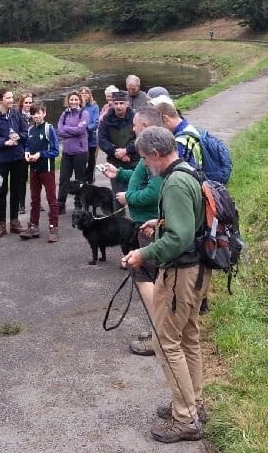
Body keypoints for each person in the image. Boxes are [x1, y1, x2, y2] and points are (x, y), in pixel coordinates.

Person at [122, 127, 209, 444]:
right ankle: (193, 403)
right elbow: (190, 222)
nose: (145, 165)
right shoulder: (188, 172)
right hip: (198, 269)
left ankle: (186, 418)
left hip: (180, 275)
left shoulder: (173, 183)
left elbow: (179, 238)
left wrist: (143, 253)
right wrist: (158, 222)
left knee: (166, 342)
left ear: (157, 154)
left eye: (145, 159)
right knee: (188, 337)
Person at [100, 108, 164, 356]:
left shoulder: (155, 154)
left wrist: (129, 198)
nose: (132, 130)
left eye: (135, 127)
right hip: (145, 224)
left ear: (145, 125)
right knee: (150, 280)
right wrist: (120, 173)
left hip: (149, 227)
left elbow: (153, 191)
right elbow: (139, 174)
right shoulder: (148, 152)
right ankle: (157, 328)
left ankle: (159, 335)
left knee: (148, 281)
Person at [0, 88, 28, 238]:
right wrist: (4, 142)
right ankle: (1, 224)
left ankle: (14, 221)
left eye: (12, 97)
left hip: (18, 158)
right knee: (1, 191)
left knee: (16, 189)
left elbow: (25, 133)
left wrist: (17, 137)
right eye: (8, 98)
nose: (11, 100)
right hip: (1, 160)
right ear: (0, 100)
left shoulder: (17, 114)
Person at [20, 104, 60, 242]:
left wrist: (40, 154)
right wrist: (26, 153)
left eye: (38, 113)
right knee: (34, 200)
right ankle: (33, 226)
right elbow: (27, 145)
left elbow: (55, 151)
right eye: (33, 114)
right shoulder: (30, 130)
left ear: (44, 113)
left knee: (51, 199)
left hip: (47, 169)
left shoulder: (49, 129)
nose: (36, 116)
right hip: (34, 169)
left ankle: (53, 227)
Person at [56, 90, 90, 215]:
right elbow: (59, 130)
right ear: (68, 101)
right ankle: (60, 204)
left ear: (80, 101)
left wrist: (67, 129)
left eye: (76, 100)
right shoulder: (64, 114)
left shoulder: (84, 113)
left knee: (80, 179)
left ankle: (79, 204)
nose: (73, 102)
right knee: (63, 179)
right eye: (71, 100)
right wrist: (71, 130)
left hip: (80, 151)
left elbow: (81, 130)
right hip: (67, 151)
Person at [98, 91, 137, 194]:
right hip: (115, 162)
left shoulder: (136, 118)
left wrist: (127, 150)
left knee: (136, 192)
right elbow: (102, 141)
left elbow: (140, 138)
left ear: (127, 104)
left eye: (121, 103)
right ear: (112, 104)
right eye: (116, 103)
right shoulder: (105, 120)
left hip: (134, 161)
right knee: (118, 195)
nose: (119, 106)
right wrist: (116, 152)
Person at [156, 100, 203, 167]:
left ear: (165, 118)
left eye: (159, 124)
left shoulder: (180, 142)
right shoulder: (190, 128)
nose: (159, 128)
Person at [79, 86, 101, 183]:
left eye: (86, 93)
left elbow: (95, 123)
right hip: (79, 141)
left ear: (89, 94)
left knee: (91, 162)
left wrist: (85, 129)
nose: (84, 95)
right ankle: (81, 182)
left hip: (91, 139)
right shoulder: (77, 106)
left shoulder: (94, 106)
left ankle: (90, 182)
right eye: (82, 93)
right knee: (81, 163)